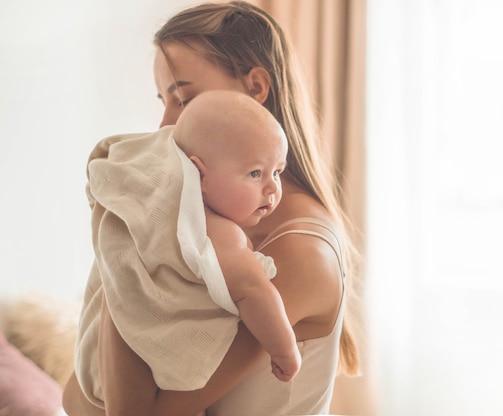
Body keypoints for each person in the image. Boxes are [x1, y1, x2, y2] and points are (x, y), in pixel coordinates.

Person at [63, 2, 360, 415]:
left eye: (183, 99)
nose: (166, 125)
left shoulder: (299, 251)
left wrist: (127, 256)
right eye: (163, 101)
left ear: (256, 88)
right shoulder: (204, 221)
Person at [174, 90, 299, 382]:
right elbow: (253, 292)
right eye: (255, 173)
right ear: (199, 175)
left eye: (277, 172)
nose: (272, 188)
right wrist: (284, 350)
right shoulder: (221, 232)